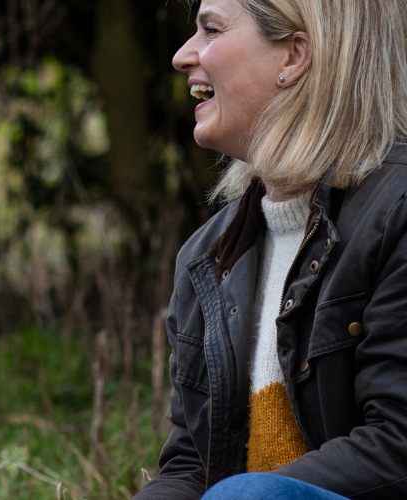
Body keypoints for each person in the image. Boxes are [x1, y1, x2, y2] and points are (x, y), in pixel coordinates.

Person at [137, 0, 407, 498]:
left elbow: (398, 445)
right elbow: (190, 469)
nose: (182, 55)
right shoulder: (209, 254)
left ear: (294, 57)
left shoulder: (398, 211)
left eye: (211, 29)